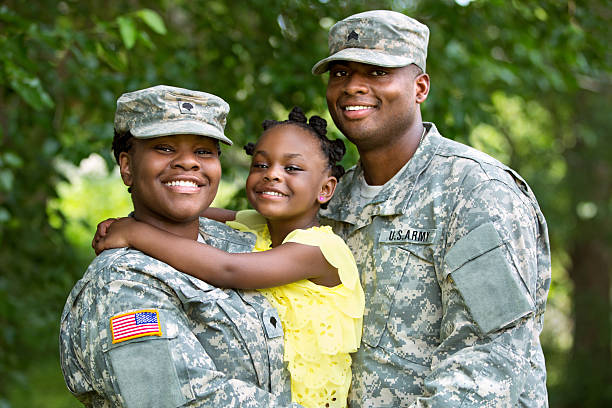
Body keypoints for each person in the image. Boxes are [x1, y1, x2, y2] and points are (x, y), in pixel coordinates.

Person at [311, 10, 551, 407]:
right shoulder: (331, 199)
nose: (353, 86)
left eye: (376, 73)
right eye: (340, 73)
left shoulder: (475, 192)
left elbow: (492, 359)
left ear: (420, 87)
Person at [92, 107, 365, 408]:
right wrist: (134, 215)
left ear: (325, 189)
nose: (272, 174)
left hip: (310, 398)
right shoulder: (256, 225)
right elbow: (190, 206)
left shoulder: (320, 249)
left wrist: (135, 233)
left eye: (292, 169)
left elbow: (228, 269)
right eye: (260, 165)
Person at [59, 85, 303, 407]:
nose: (188, 163)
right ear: (127, 166)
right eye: (164, 147)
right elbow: (181, 399)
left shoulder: (240, 241)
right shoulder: (120, 283)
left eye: (204, 151)